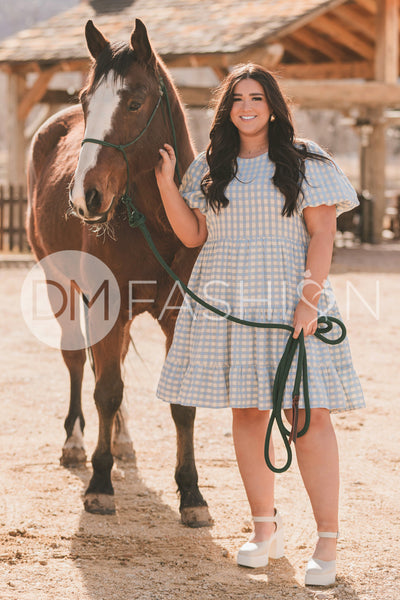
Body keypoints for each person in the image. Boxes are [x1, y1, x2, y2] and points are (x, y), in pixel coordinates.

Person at [154, 63, 364, 587]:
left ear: (273, 106)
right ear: (226, 108)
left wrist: (309, 301)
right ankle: (263, 530)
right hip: (229, 300)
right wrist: (163, 183)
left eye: (256, 97)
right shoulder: (209, 164)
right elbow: (193, 234)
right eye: (237, 98)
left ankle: (327, 541)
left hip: (293, 301)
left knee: (307, 416)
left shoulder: (305, 159)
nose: (246, 106)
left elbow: (322, 236)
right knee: (248, 412)